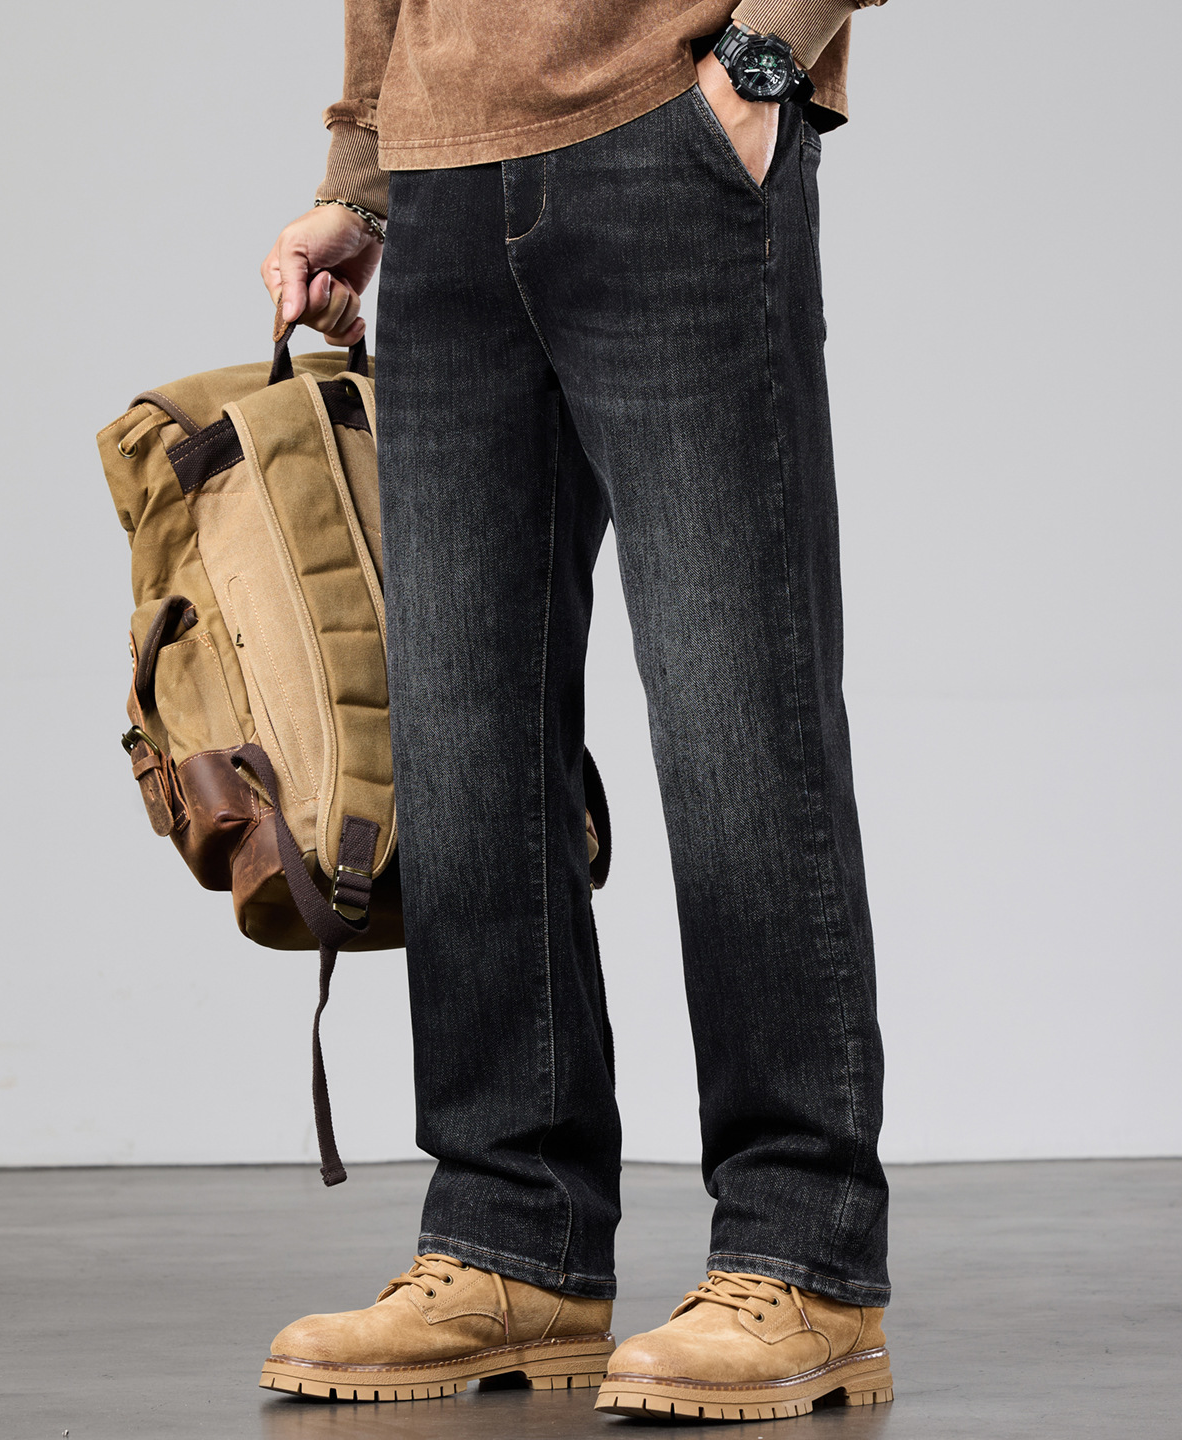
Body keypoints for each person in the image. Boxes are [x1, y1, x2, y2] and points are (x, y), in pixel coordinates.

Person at [258, 0, 893, 1420]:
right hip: (441, 175)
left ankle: (803, 1255)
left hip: (667, 141)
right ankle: (510, 1243)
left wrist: (763, 60)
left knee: (740, 723)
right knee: (462, 741)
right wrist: (360, 171)